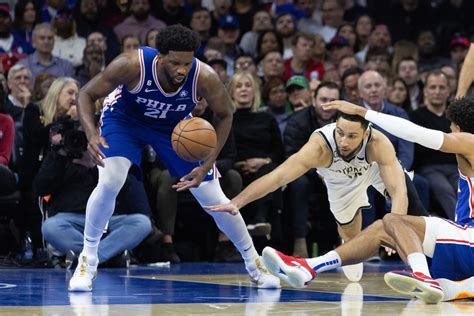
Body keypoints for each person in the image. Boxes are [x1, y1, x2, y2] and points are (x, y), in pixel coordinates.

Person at [69, 24, 280, 291]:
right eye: (175, 63)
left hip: (173, 127)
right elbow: (86, 94)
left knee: (213, 197)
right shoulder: (131, 64)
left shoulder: (205, 76)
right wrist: (91, 134)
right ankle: (88, 259)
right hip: (124, 121)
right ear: (159, 57)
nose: (182, 69)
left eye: (187, 63)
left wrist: (208, 162)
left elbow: (225, 114)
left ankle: (254, 263)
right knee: (111, 180)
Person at [261, 97, 474, 304]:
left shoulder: (469, 141)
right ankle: (309, 266)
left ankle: (423, 276)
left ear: (457, 128)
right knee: (382, 228)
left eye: (451, 127)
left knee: (394, 221)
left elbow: (414, 132)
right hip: (463, 242)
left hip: (468, 239)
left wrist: (363, 112)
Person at [206, 103, 427, 282]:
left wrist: (397, 233)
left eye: (352, 136)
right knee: (351, 233)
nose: (344, 141)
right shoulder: (321, 146)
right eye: (340, 133)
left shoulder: (378, 143)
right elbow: (278, 177)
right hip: (339, 179)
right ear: (334, 126)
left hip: (374, 169)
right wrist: (237, 202)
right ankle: (349, 248)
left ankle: (426, 269)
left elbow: (398, 192)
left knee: (413, 204)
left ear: (366, 133)